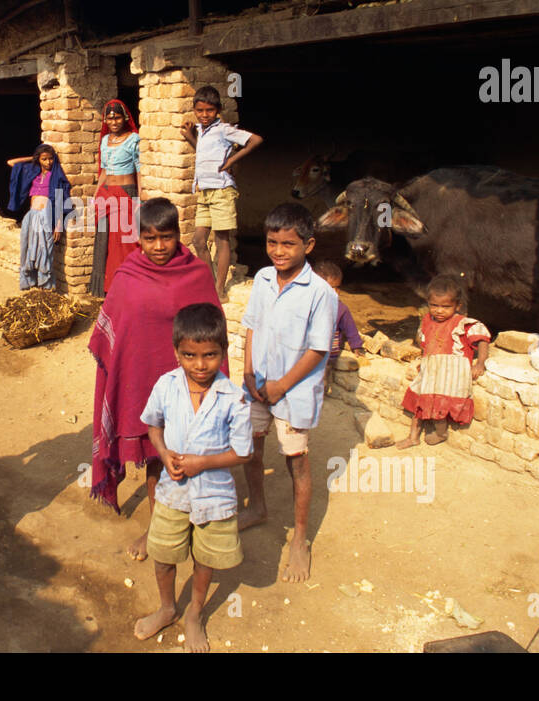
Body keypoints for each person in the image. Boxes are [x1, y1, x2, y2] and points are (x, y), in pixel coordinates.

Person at [88, 197, 224, 561]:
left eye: (166, 237)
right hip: (146, 385)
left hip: (193, 383)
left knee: (195, 455)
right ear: (139, 238)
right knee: (155, 456)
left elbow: (215, 329)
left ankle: (199, 526)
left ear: (178, 235)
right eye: (150, 239)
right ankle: (156, 528)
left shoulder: (196, 273)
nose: (159, 247)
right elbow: (118, 332)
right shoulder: (128, 274)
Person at [133, 303, 252, 652]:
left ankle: (194, 614)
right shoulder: (166, 386)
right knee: (163, 554)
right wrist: (164, 453)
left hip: (214, 495)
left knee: (205, 558)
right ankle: (168, 607)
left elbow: (243, 452)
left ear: (223, 353)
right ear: (176, 352)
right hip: (173, 493)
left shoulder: (233, 397)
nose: (200, 365)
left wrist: (204, 463)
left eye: (210, 356)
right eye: (189, 355)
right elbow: (153, 425)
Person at [238, 203, 337, 584]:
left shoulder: (321, 293)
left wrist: (281, 384)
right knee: (251, 447)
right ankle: (258, 507)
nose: (279, 251)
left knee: (296, 461)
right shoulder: (263, 279)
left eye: (289, 245)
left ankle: (299, 539)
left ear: (308, 245)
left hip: (292, 393)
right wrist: (248, 370)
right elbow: (250, 326)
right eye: (272, 243)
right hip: (257, 385)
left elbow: (317, 350)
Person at [179, 85, 263, 300]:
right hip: (205, 192)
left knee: (221, 239)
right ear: (195, 110)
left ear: (217, 110)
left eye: (209, 111)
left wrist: (231, 161)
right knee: (199, 240)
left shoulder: (224, 129)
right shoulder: (202, 130)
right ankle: (210, 282)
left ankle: (219, 289)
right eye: (200, 110)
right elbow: (204, 151)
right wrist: (190, 135)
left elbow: (256, 140)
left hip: (222, 191)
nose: (204, 115)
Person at [397, 275, 490, 448]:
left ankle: (441, 432)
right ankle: (413, 437)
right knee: (419, 403)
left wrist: (480, 363)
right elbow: (425, 342)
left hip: (450, 375)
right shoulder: (427, 320)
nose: (439, 310)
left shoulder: (463, 324)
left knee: (439, 408)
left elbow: (483, 340)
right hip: (431, 369)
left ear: (457, 306)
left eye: (446, 307)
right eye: (434, 305)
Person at [88, 99, 141, 297]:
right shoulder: (104, 140)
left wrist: (140, 198)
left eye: (117, 117)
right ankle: (105, 288)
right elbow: (104, 170)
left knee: (125, 242)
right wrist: (96, 194)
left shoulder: (134, 139)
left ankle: (127, 286)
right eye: (109, 118)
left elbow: (139, 170)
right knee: (104, 241)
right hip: (106, 193)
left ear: (125, 118)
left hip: (125, 192)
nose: (113, 122)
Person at [7, 143, 75, 291]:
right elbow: (11, 163)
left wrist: (58, 225)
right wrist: (33, 158)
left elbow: (59, 200)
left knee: (45, 251)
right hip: (31, 216)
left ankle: (46, 287)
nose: (48, 162)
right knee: (28, 249)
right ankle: (31, 283)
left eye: (51, 159)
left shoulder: (55, 176)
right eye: (44, 159)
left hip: (46, 217)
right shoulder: (33, 172)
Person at [311, 260, 366, 394]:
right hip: (309, 351)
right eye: (331, 288)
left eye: (338, 287)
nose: (336, 292)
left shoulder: (341, 308)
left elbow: (350, 328)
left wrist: (356, 345)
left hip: (329, 354)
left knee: (322, 378)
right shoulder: (307, 306)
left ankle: (319, 397)